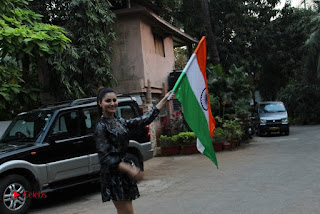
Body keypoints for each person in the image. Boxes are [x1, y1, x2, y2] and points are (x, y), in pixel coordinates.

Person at [94, 87, 171, 214]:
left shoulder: (120, 121)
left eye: (114, 100)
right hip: (113, 176)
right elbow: (105, 158)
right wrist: (129, 168)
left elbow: (144, 119)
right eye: (108, 101)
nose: (112, 103)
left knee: (127, 212)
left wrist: (163, 100)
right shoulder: (100, 127)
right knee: (127, 212)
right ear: (100, 103)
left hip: (123, 174)